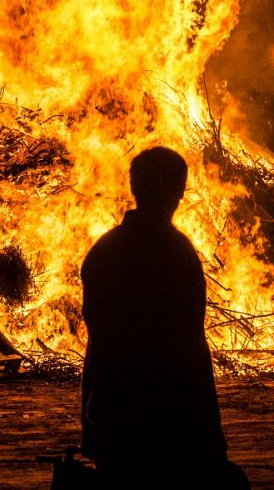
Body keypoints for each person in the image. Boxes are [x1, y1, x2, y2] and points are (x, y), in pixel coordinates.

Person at [79, 146, 248, 488]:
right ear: (179, 194)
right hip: (170, 413)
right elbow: (190, 346)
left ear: (135, 188)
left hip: (115, 409)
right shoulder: (177, 254)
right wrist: (210, 432)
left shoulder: (103, 252)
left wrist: (91, 420)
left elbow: (97, 340)